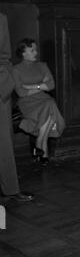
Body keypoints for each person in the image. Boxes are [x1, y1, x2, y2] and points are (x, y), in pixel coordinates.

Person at [12, 39, 65, 167]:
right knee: (50, 103)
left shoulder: (42, 65)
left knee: (49, 103)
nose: (36, 52)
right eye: (32, 50)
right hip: (27, 103)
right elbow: (21, 93)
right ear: (23, 53)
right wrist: (41, 85)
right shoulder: (15, 69)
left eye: (36, 49)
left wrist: (31, 87)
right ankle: (42, 147)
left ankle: (40, 143)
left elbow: (51, 85)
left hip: (42, 99)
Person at [0, 13, 34, 202]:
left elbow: (4, 58)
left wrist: (5, 86)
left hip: (0, 91)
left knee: (4, 142)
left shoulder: (1, 19)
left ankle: (10, 190)